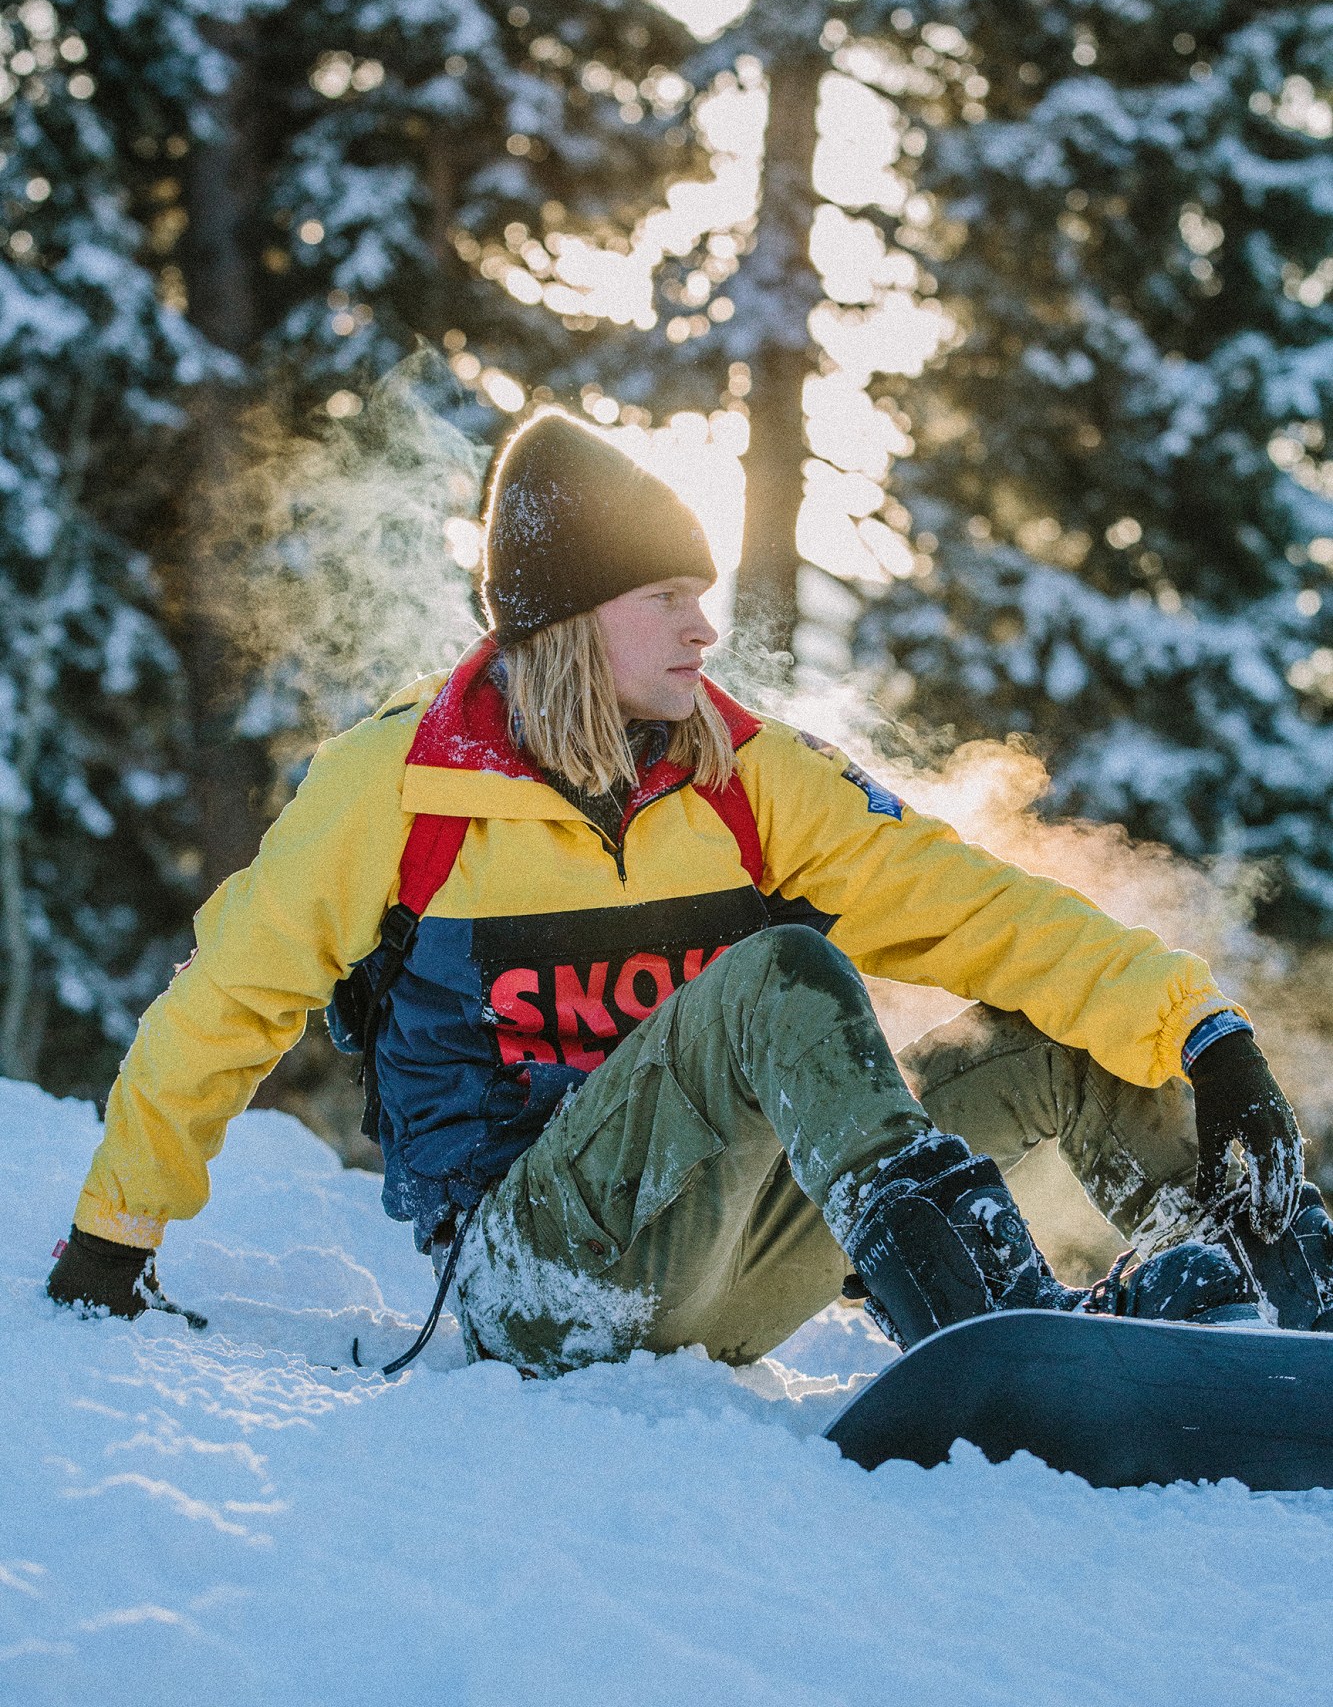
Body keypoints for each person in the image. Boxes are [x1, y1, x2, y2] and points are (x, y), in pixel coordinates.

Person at [48, 412, 1333, 1367]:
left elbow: (980, 912)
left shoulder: (743, 774)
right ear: (566, 619)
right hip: (537, 1276)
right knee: (778, 977)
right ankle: (983, 1324)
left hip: (730, 1255)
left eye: (702, 597)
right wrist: (114, 1239)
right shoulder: (402, 785)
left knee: (1067, 1023)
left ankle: (1282, 1301)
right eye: (664, 597)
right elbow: (227, 1002)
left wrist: (1205, 1036)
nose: (702, 629)